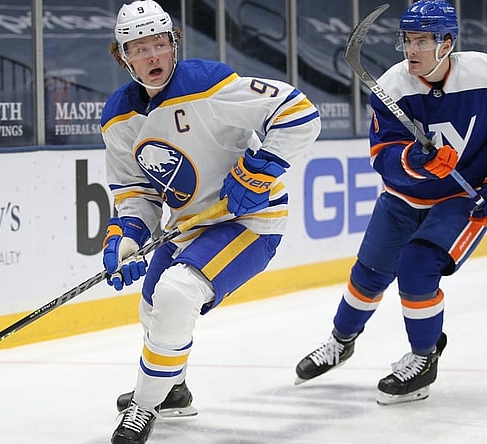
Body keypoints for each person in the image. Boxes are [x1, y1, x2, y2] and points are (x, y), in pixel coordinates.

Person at [294, 0, 487, 406]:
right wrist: (415, 161)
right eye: (407, 40)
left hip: (462, 196)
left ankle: (424, 358)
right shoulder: (393, 85)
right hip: (404, 197)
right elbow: (383, 156)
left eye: (422, 41)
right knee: (369, 272)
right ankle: (341, 341)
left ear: (447, 43)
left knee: (417, 266)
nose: (411, 50)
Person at [100, 1, 321, 442]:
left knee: (177, 292)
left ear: (174, 44)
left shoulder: (207, 84)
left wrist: (259, 171)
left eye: (160, 44)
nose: (153, 56)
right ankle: (173, 389)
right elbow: (136, 192)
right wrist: (128, 236)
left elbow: (299, 113)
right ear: (123, 57)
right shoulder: (118, 118)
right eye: (140, 49)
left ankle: (144, 406)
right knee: (152, 306)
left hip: (250, 220)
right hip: (188, 226)